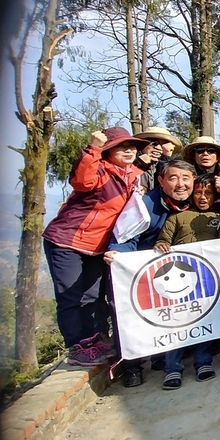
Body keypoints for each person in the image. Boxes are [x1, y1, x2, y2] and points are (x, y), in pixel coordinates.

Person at [43, 128, 148, 368]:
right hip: (67, 240)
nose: (129, 150)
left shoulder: (134, 176)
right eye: (122, 146)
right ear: (108, 150)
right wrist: (92, 149)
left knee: (92, 296)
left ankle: (96, 341)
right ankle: (77, 346)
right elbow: (81, 181)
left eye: (132, 146)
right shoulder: (99, 170)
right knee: (70, 295)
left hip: (98, 246)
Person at [105, 158, 197, 386]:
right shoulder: (145, 204)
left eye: (186, 178)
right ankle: (131, 367)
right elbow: (125, 238)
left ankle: (161, 357)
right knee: (128, 313)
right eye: (173, 178)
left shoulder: (197, 201)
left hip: (175, 272)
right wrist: (116, 254)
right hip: (142, 270)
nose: (180, 184)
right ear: (161, 181)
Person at [153, 174, 220, 389]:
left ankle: (203, 361)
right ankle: (173, 368)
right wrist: (161, 244)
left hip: (207, 279)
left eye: (208, 193)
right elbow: (163, 240)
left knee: (204, 321)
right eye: (198, 192)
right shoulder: (178, 217)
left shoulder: (219, 216)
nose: (203, 197)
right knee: (177, 324)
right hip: (178, 283)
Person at [134, 127, 182, 193]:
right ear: (142, 145)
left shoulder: (162, 165)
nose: (158, 148)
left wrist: (168, 154)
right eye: (154, 143)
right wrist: (139, 164)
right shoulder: (130, 163)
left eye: (163, 145)